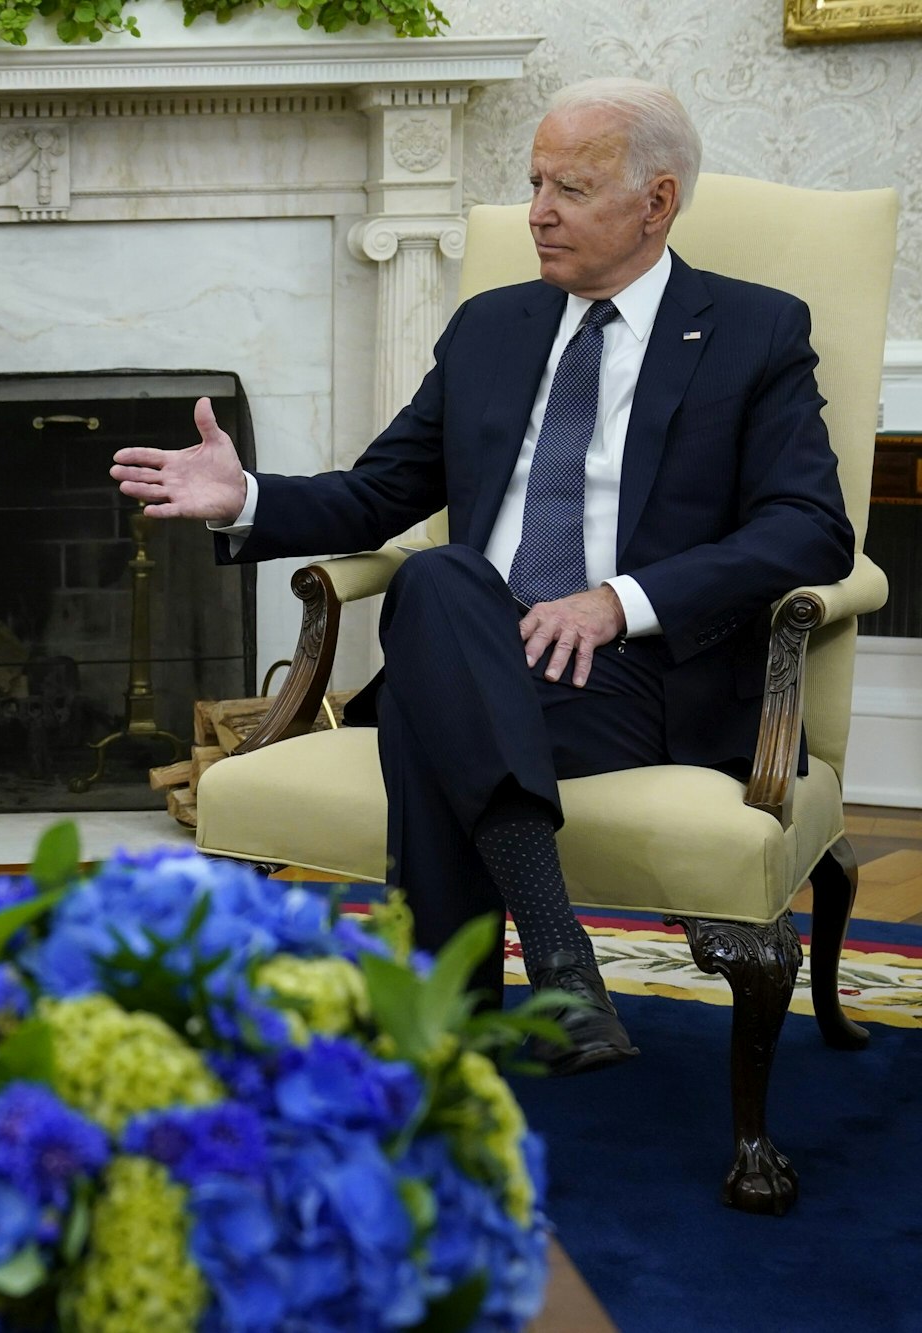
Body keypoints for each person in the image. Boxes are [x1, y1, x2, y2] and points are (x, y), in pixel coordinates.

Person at [110, 79, 853, 1076]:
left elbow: (808, 530)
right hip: (480, 652)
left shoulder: (749, 331)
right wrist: (246, 496)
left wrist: (614, 603)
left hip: (643, 679)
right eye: (533, 181)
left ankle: (450, 1030)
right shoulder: (490, 329)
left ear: (655, 202)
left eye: (570, 188)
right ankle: (554, 958)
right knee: (443, 580)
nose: (536, 210)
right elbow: (376, 496)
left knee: (427, 683)